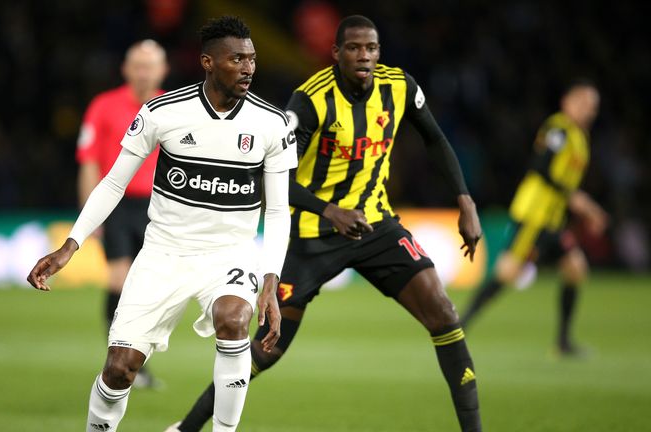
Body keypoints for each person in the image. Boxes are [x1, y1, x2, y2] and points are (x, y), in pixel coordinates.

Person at [168, 15, 483, 432]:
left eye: (371, 48)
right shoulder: (311, 100)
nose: (364, 56)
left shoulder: (400, 87)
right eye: (354, 48)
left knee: (443, 313)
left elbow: (435, 138)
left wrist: (465, 200)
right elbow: (271, 173)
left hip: (377, 227)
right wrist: (329, 211)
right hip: (312, 237)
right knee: (267, 349)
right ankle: (185, 429)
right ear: (336, 53)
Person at [28, 16, 297, 432]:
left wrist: (269, 279)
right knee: (120, 369)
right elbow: (113, 182)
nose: (248, 68)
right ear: (208, 62)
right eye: (236, 59)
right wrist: (71, 243)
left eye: (252, 59)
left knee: (233, 318)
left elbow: (279, 211)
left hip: (230, 255)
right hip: (163, 255)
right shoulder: (162, 112)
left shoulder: (272, 124)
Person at [461, 80, 606, 356]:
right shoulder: (559, 129)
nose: (588, 110)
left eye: (593, 106)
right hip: (533, 215)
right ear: (567, 102)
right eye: (583, 103)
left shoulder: (579, 137)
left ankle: (563, 343)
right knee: (507, 273)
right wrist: (578, 200)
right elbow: (541, 167)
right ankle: (458, 327)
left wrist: (574, 201)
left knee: (575, 269)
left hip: (552, 220)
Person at [76, 39, 168, 389]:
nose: (144, 72)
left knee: (148, 289)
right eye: (138, 65)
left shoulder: (171, 107)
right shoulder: (103, 106)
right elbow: (88, 160)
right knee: (118, 281)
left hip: (158, 209)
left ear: (163, 70)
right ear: (126, 69)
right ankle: (115, 361)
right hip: (116, 205)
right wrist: (91, 212)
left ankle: (135, 362)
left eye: (151, 66)